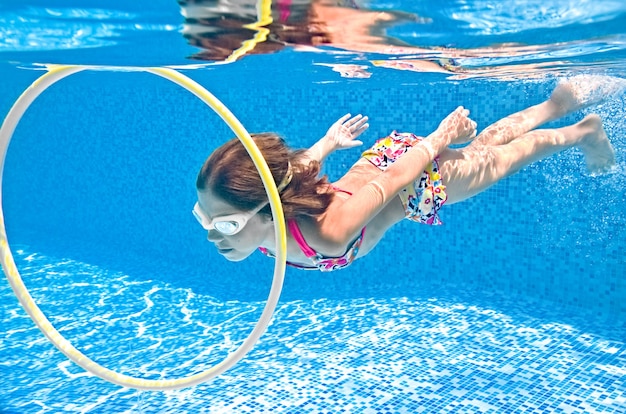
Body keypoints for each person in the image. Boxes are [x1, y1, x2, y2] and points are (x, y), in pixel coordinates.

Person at [192, 77, 616, 271]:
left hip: (411, 176)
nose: (213, 234)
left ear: (269, 211)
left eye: (226, 223)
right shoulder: (278, 199)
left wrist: (436, 139)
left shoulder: (328, 232)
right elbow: (290, 170)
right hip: (386, 164)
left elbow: (391, 182)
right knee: (484, 152)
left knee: (502, 159)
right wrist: (327, 142)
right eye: (204, 218)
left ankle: (580, 131)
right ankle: (554, 105)